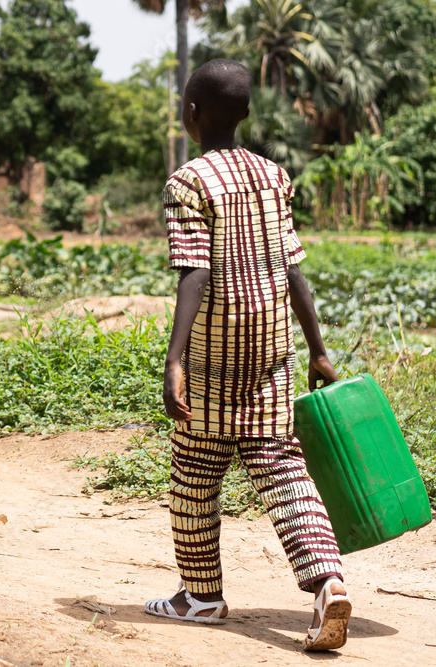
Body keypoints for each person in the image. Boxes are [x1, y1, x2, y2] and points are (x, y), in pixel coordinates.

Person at [144, 59, 350, 652]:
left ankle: (201, 595)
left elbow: (194, 272)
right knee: (285, 472)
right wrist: (317, 347)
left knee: (194, 473)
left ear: (190, 115)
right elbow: (292, 268)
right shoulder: (273, 176)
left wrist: (175, 359)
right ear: (247, 113)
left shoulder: (189, 181)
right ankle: (327, 582)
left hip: (212, 355)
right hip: (270, 349)